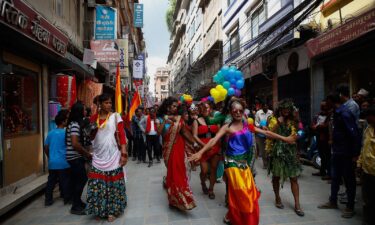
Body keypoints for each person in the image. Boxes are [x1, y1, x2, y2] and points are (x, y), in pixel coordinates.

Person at [189, 98, 296, 225]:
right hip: (232, 164)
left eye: (240, 110)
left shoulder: (247, 125)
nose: (238, 113)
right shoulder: (227, 127)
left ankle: (230, 215)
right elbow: (213, 140)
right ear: (230, 112)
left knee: (245, 193)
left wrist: (285, 138)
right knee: (244, 194)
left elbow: (266, 133)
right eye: (235, 111)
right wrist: (200, 152)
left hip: (244, 164)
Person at [318, 93, 361, 218]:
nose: (325, 104)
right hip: (337, 151)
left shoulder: (345, 114)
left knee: (349, 180)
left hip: (346, 152)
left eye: (327, 101)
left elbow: (354, 134)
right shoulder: (336, 114)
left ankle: (350, 206)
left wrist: (355, 154)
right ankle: (332, 201)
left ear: (331, 101)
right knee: (335, 177)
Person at [86, 94, 127, 222]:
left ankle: (113, 211)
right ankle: (100, 209)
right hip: (98, 156)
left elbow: (122, 136)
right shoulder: (93, 118)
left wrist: (124, 154)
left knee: (113, 184)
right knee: (98, 185)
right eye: (106, 103)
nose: (109, 105)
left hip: (113, 155)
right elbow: (90, 137)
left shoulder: (115, 117)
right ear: (100, 104)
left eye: (110, 103)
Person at [157, 97, 199, 210]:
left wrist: (195, 144)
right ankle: (173, 199)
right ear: (167, 107)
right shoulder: (160, 118)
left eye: (176, 106)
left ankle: (183, 199)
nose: (176, 108)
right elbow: (158, 133)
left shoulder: (179, 119)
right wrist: (165, 121)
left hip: (179, 149)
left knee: (179, 173)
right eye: (173, 106)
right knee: (172, 174)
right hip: (168, 150)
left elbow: (185, 132)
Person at [268, 99, 304, 217]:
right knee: (276, 176)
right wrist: (278, 122)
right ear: (280, 110)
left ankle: (297, 204)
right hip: (278, 151)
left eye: (288, 109)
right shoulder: (273, 119)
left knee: (294, 178)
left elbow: (301, 132)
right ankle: (277, 197)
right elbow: (269, 134)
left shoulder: (294, 120)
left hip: (291, 151)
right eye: (284, 109)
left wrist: (297, 136)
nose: (286, 111)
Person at [65, 102, 92, 215]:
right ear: (80, 111)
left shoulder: (73, 124)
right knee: (81, 180)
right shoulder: (75, 125)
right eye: (84, 110)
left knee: (79, 180)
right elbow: (75, 144)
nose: (86, 112)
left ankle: (78, 201)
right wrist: (86, 153)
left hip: (74, 157)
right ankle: (75, 205)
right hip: (75, 157)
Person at [192, 102, 221, 199]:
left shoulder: (216, 120)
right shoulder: (196, 121)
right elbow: (195, 136)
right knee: (204, 170)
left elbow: (219, 134)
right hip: (203, 147)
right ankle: (203, 183)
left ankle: (211, 189)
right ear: (200, 110)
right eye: (203, 108)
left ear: (211, 109)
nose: (206, 109)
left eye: (207, 107)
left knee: (213, 169)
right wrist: (204, 145)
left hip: (215, 147)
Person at [44, 109, 71, 206]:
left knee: (51, 182)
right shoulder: (65, 133)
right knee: (65, 182)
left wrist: (50, 157)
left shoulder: (50, 133)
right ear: (63, 121)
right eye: (66, 120)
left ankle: (48, 200)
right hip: (63, 162)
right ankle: (66, 198)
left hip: (52, 163)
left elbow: (46, 147)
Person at [357, 105, 375, 225]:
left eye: (369, 117)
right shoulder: (368, 129)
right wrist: (359, 164)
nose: (367, 120)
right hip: (367, 171)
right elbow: (364, 149)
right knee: (368, 199)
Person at [311, 100, 332, 180]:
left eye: (324, 105)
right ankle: (322, 171)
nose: (322, 107)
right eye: (321, 105)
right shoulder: (318, 115)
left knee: (327, 156)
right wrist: (316, 126)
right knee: (322, 154)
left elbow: (326, 126)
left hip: (326, 137)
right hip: (319, 136)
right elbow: (313, 124)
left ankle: (329, 173)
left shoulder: (330, 115)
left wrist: (318, 126)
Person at [255, 103, 273, 169]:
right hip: (261, 134)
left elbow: (273, 121)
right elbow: (256, 122)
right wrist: (261, 126)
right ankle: (265, 164)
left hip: (269, 133)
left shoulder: (271, 112)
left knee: (269, 148)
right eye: (264, 106)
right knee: (263, 149)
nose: (265, 107)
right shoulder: (258, 113)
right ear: (262, 107)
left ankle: (270, 163)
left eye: (266, 106)